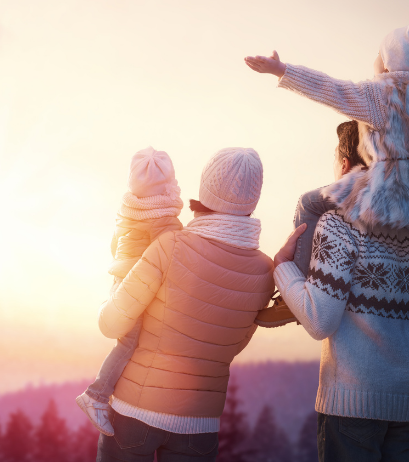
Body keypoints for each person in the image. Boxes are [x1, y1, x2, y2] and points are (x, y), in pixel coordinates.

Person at [247, 23, 409, 461]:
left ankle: (299, 272)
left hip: (352, 408)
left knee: (312, 206)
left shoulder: (343, 224)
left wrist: (282, 70)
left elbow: (320, 323)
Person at [96, 147, 275, 462]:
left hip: (133, 412)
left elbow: (111, 324)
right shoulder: (265, 271)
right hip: (200, 426)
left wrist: (117, 279)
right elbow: (232, 344)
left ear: (205, 189)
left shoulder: (170, 246)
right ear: (253, 201)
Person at [76, 147, 183, 436]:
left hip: (121, 281)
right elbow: (174, 254)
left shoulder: (130, 211)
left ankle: (110, 392)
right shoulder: (163, 219)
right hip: (138, 287)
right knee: (131, 342)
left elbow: (115, 245)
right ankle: (96, 395)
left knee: (130, 340)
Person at [255, 120, 365, 328]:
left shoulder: (334, 223)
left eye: (333, 158)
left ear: (344, 164)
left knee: (308, 202)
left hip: (371, 184)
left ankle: (296, 293)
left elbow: (320, 324)